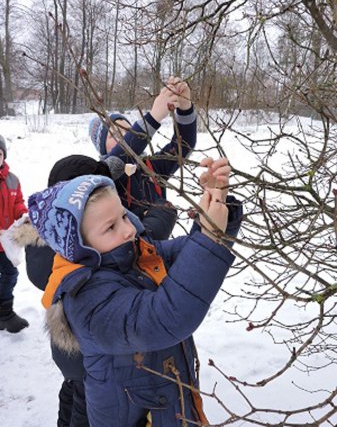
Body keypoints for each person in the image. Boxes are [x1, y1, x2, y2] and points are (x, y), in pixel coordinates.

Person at [28, 169, 242, 426]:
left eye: (123, 216)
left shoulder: (132, 255)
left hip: (172, 407)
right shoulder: (87, 303)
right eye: (111, 227)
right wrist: (209, 237)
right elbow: (164, 317)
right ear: (79, 247)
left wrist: (216, 207)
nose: (129, 230)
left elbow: (188, 256)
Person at [88, 76, 197, 227]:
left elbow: (184, 146)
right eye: (113, 134)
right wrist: (153, 117)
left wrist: (185, 107)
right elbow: (119, 157)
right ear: (101, 146)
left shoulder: (152, 168)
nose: (122, 137)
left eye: (127, 131)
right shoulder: (100, 180)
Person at [0, 134, 29, 333]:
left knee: (10, 275)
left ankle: (6, 313)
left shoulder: (13, 180)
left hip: (6, 243)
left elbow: (18, 201)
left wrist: (22, 213)